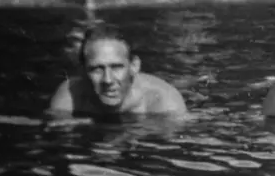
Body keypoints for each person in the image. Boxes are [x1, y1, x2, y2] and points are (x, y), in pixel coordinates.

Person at [48, 24, 187, 118]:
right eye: (96, 69)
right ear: (83, 70)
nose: (108, 80)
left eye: (116, 67)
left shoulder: (164, 102)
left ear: (134, 66)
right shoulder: (70, 96)